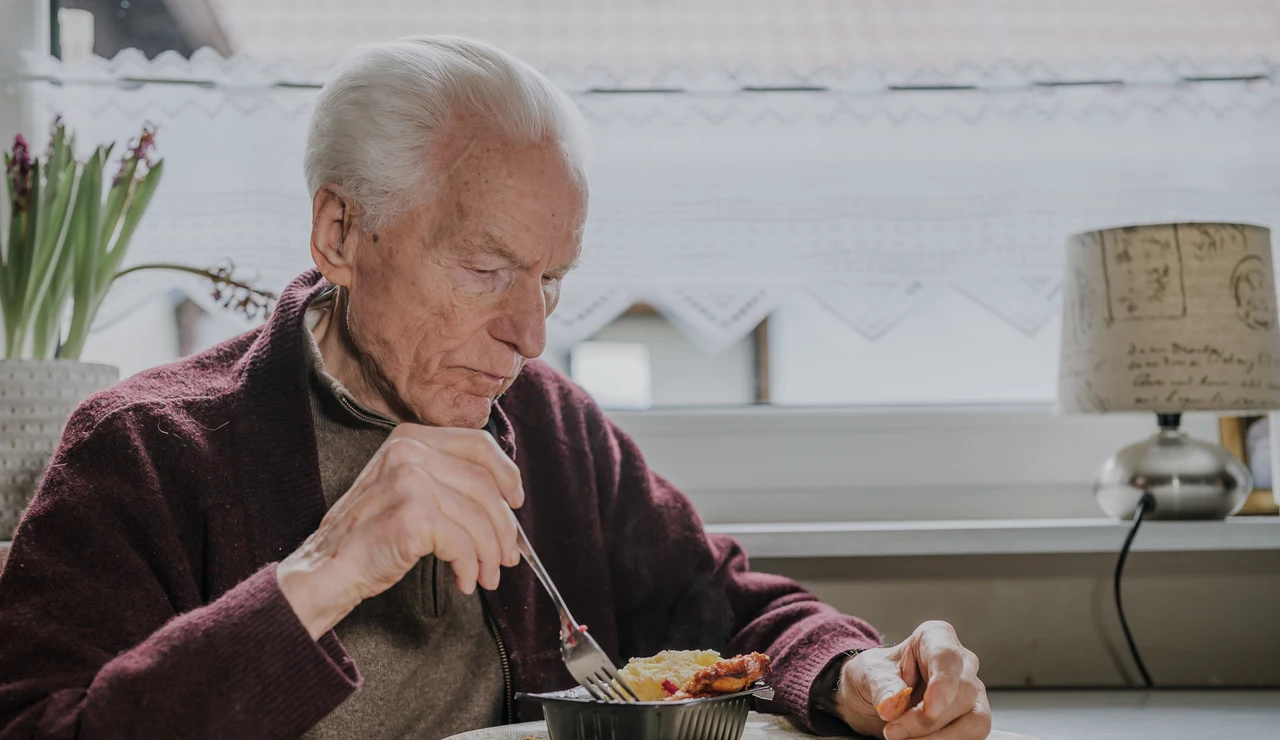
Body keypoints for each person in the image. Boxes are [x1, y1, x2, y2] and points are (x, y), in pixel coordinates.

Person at [0, 36, 989, 740]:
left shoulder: (550, 428)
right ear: (340, 235)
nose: (530, 333)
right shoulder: (138, 449)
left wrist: (858, 672)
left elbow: (729, 611)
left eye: (550, 278)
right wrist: (328, 565)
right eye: (486, 268)